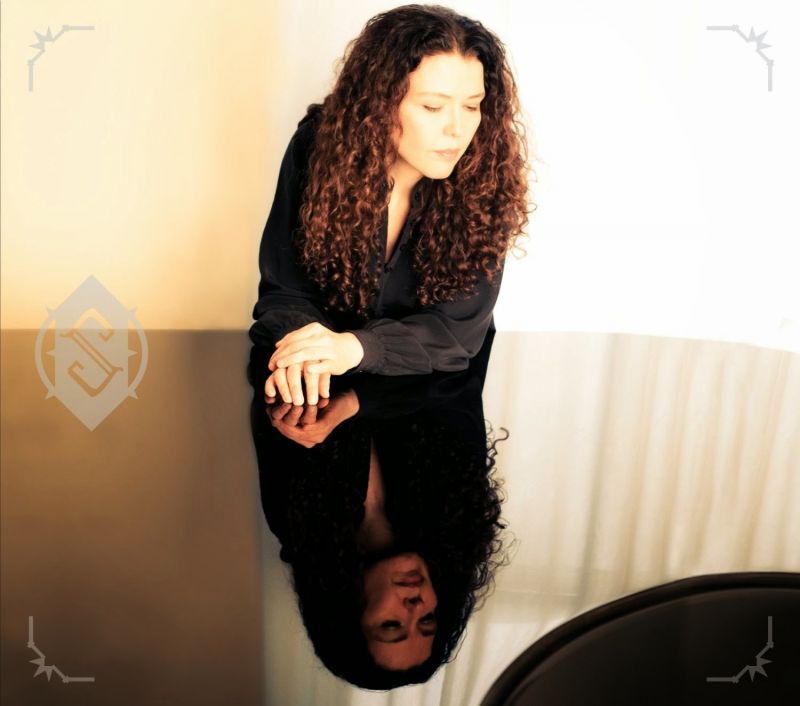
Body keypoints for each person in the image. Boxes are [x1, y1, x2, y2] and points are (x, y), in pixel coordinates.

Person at [249, 3, 532, 407]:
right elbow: (285, 290)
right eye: (432, 107)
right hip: (324, 384)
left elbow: (458, 330)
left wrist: (354, 348)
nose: (457, 129)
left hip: (436, 398)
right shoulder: (318, 149)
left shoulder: (487, 175)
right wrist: (304, 349)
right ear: (380, 103)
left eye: (472, 106)